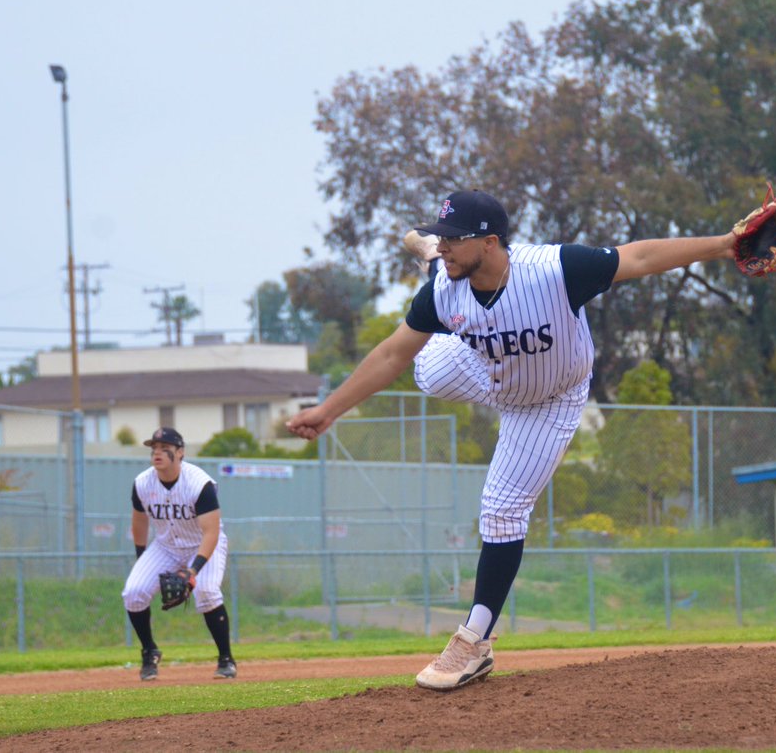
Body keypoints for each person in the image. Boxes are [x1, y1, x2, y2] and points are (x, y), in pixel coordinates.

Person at [286, 189, 737, 690]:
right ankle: (428, 263)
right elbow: (391, 354)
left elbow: (641, 257)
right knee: (425, 365)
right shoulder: (447, 288)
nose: (448, 244)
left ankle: (473, 641)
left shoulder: (554, 270)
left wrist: (724, 244)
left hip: (549, 399)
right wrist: (329, 411)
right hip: (484, 372)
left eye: (453, 239)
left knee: (501, 511)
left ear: (491, 242)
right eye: (440, 239)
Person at [121, 427, 237, 681]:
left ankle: (226, 659)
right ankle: (149, 651)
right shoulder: (142, 483)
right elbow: (139, 522)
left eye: (165, 448)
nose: (157, 453)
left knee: (206, 592)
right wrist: (141, 559)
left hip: (203, 544)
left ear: (180, 452)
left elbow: (211, 533)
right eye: (154, 448)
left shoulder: (199, 484)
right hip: (165, 546)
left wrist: (192, 571)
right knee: (134, 592)